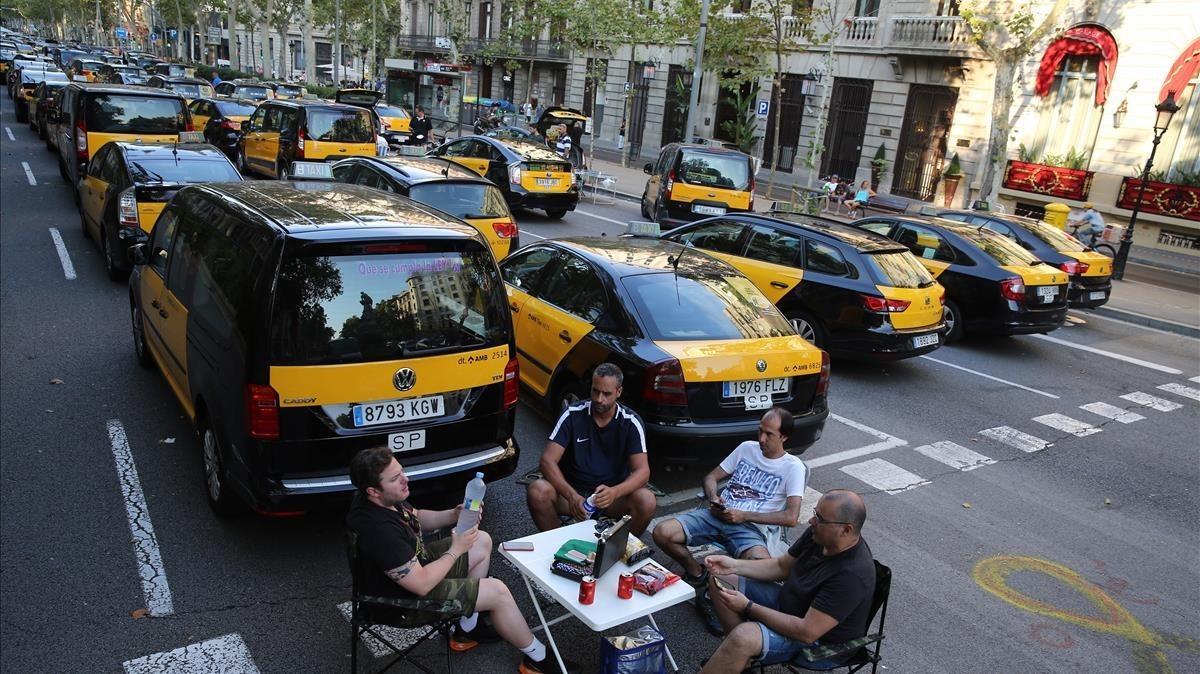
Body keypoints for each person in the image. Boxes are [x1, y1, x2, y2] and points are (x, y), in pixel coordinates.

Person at [346, 447, 575, 673]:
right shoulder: (378, 530)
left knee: (480, 540)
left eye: (402, 471)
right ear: (373, 491)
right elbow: (421, 584)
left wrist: (454, 514)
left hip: (417, 569)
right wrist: (455, 550)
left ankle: (467, 627)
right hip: (400, 602)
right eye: (396, 478)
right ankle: (538, 658)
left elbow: (416, 516)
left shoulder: (384, 499)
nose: (405, 479)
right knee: (498, 592)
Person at [652, 407, 807, 634]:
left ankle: (741, 614)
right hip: (716, 515)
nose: (761, 439)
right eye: (760, 431)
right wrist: (714, 498)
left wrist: (744, 515)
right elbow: (711, 477)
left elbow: (791, 517)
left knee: (760, 570)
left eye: (769, 434)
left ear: (784, 436)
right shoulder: (746, 448)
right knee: (662, 533)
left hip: (750, 527)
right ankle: (698, 574)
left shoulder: (793, 467)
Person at [699, 490, 876, 673]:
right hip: (791, 606)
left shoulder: (852, 575)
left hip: (818, 645)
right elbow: (781, 567)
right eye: (815, 513)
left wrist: (747, 606)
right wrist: (733, 566)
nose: (811, 521)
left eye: (820, 518)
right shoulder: (819, 535)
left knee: (743, 637)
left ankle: (739, 650)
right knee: (720, 579)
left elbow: (806, 632)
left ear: (846, 530)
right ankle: (742, 660)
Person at [526, 363, 657, 535]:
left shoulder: (631, 422)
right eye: (595, 391)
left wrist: (615, 492)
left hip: (611, 497)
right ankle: (557, 545)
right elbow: (547, 460)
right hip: (573, 492)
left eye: (606, 394)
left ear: (618, 392)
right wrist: (571, 495)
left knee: (647, 500)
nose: (599, 399)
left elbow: (642, 471)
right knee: (537, 491)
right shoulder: (573, 414)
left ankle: (618, 551)